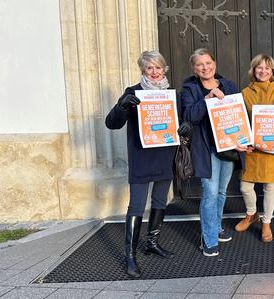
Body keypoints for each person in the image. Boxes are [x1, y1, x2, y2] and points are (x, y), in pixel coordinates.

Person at [105, 50, 175, 278]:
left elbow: (181, 123)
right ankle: (131, 257)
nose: (154, 72)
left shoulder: (171, 94)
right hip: (142, 157)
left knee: (160, 201)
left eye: (158, 68)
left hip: (165, 153)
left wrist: (184, 129)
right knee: (136, 206)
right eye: (149, 68)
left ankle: (152, 242)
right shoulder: (133, 92)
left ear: (164, 69)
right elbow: (112, 124)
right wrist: (122, 106)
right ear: (143, 70)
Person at [179, 48, 245, 257]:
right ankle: (208, 239)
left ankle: (216, 227)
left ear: (214, 64)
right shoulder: (189, 89)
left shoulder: (230, 85)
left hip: (227, 147)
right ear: (194, 68)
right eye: (200, 64)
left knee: (222, 191)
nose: (205, 67)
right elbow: (189, 116)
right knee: (209, 193)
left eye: (208, 63)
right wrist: (207, 99)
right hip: (205, 147)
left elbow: (238, 115)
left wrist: (241, 140)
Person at [234, 54, 274, 242]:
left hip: (273, 149)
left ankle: (266, 223)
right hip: (253, 149)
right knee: (245, 186)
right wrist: (243, 141)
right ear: (253, 70)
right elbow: (239, 120)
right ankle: (251, 214)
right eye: (259, 67)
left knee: (269, 187)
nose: (263, 71)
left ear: (273, 71)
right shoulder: (245, 93)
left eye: (267, 68)